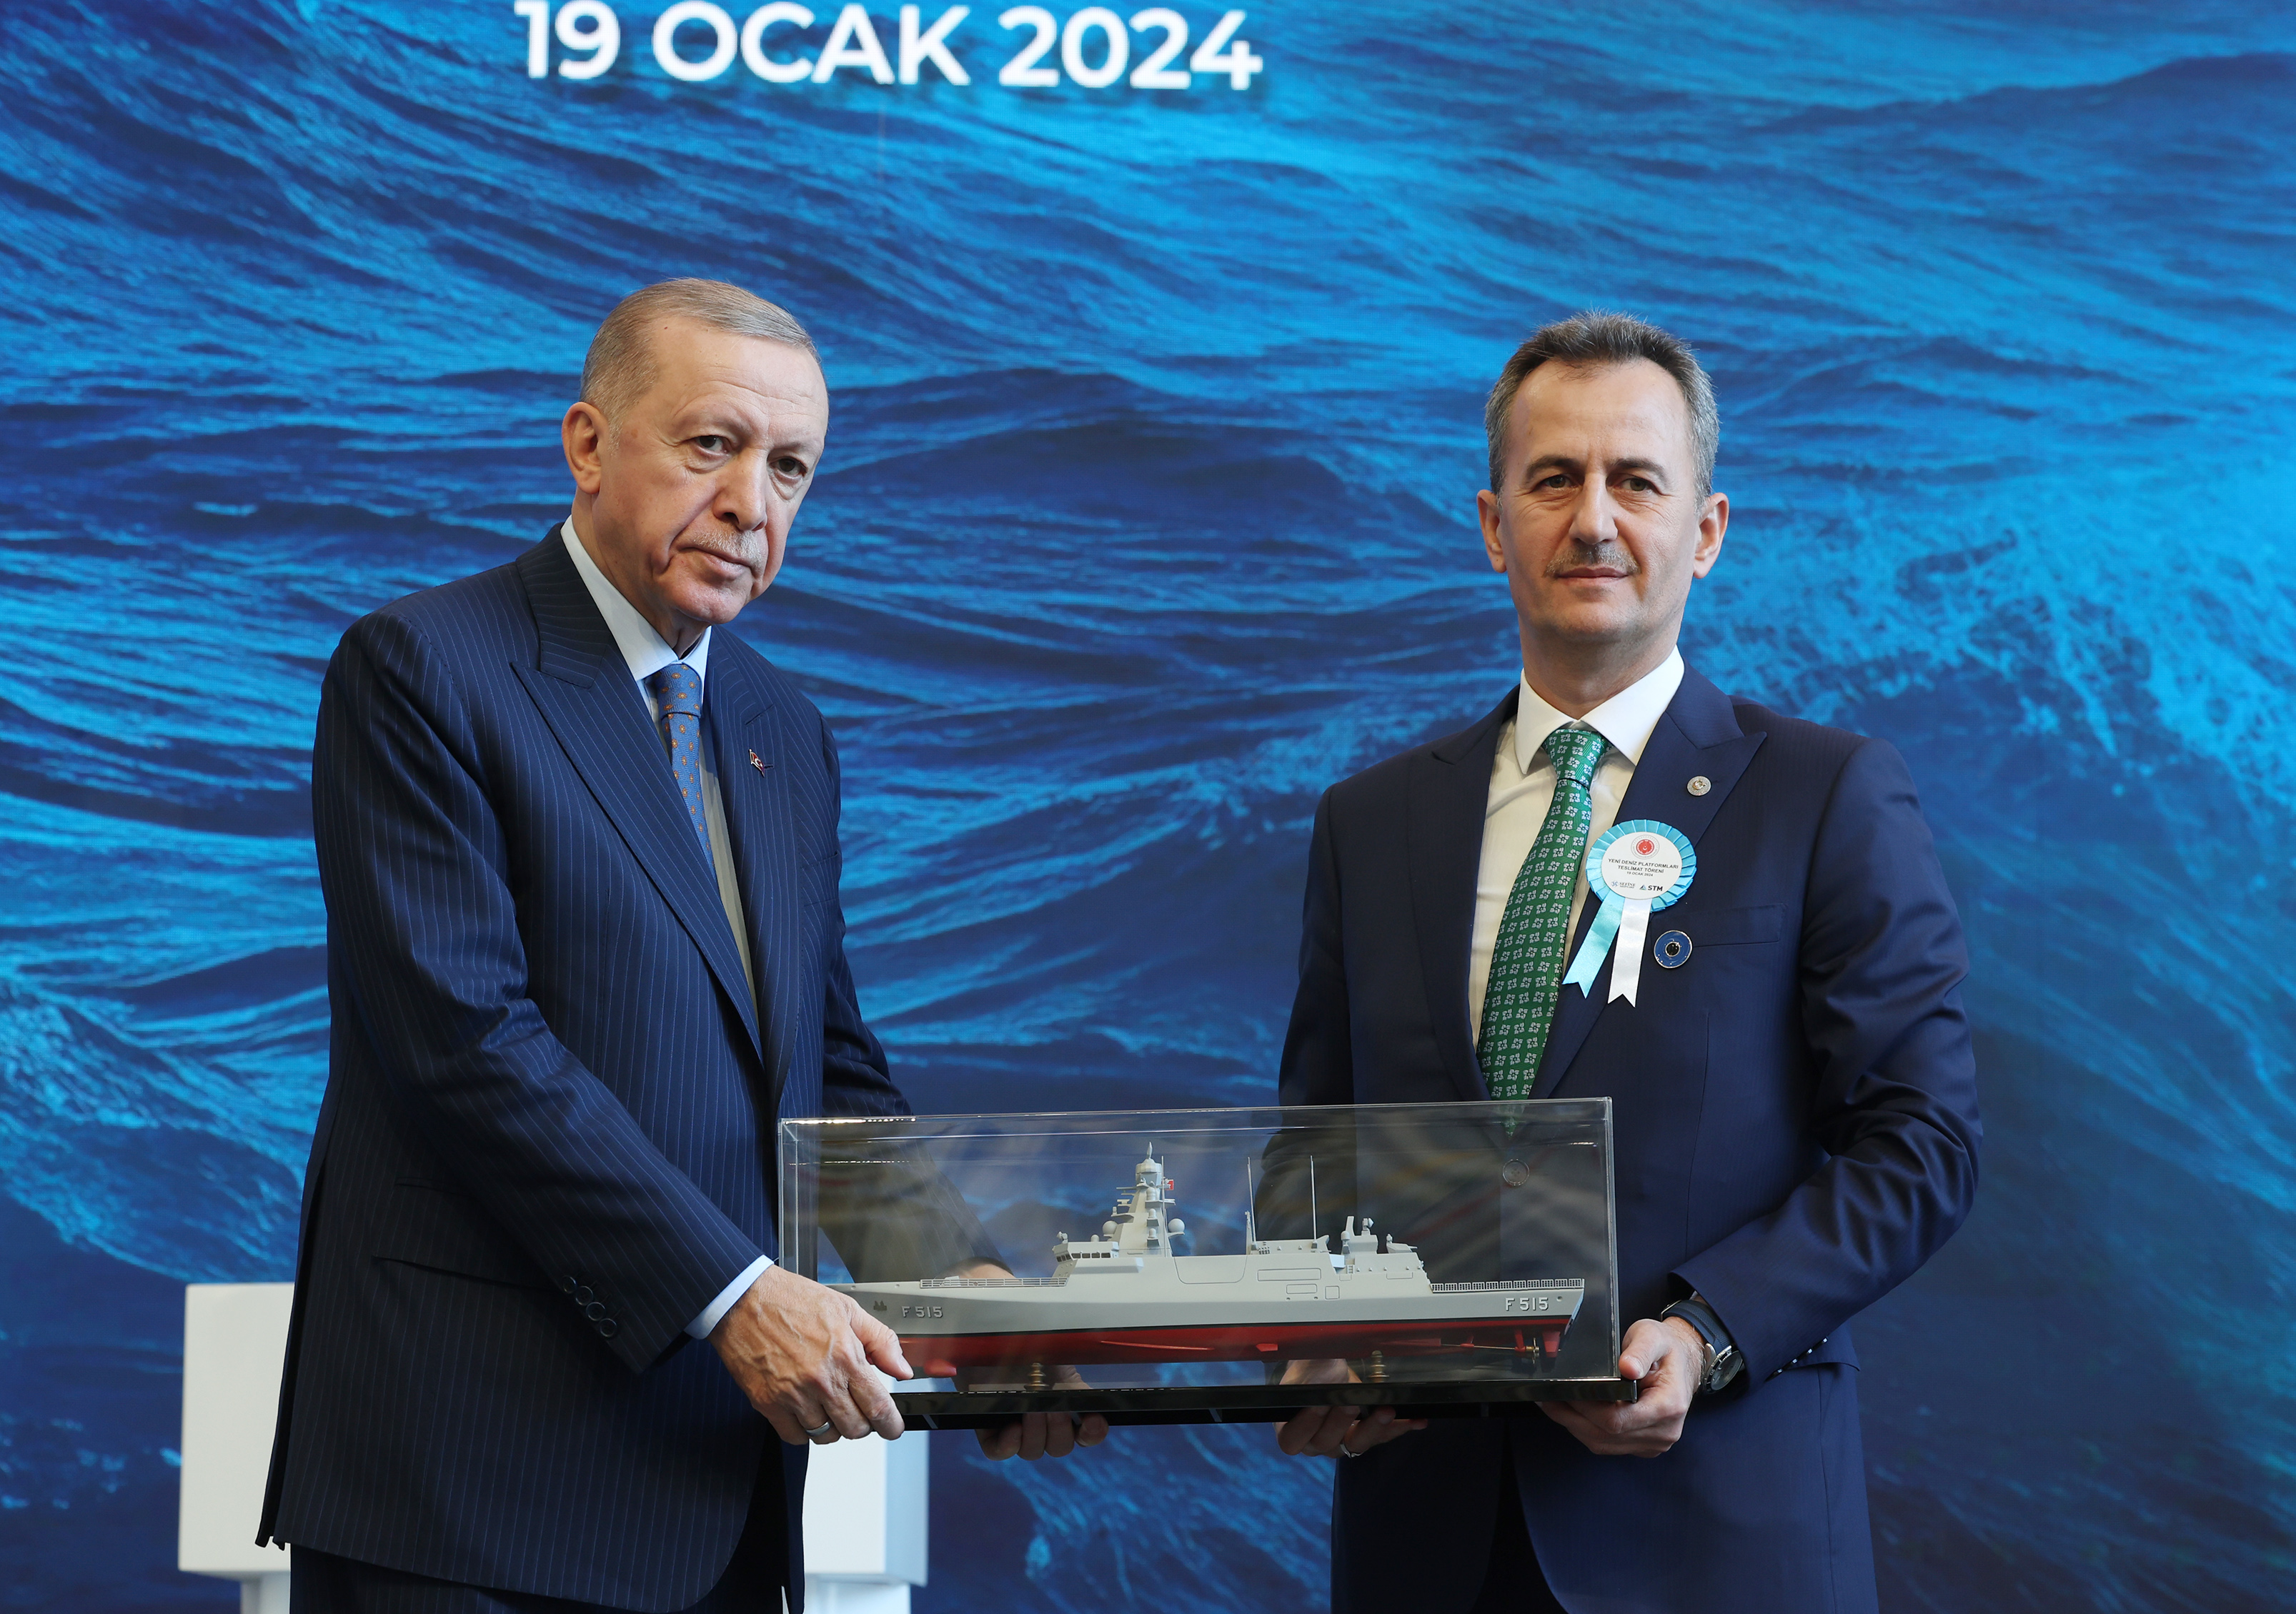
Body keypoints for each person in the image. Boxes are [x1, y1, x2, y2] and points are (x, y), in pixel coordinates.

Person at [259, 279, 1100, 1614]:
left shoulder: (784, 729)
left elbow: (823, 1062)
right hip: (466, 1486)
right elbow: (467, 1046)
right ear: (588, 445)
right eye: (712, 445)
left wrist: (968, 1294)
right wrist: (735, 1295)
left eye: (791, 469)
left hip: (716, 1493)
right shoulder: (422, 668)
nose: (752, 503)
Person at [1271, 313, 1981, 1613]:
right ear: (1493, 526)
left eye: (1634, 482)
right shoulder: (1368, 823)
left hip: (1719, 1530)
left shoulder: (1824, 794)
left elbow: (1920, 1142)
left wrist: (1709, 1332)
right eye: (1553, 480)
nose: (1592, 520)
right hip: (1425, 1537)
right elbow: (1316, 1150)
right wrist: (1313, 1338)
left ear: (1704, 530)